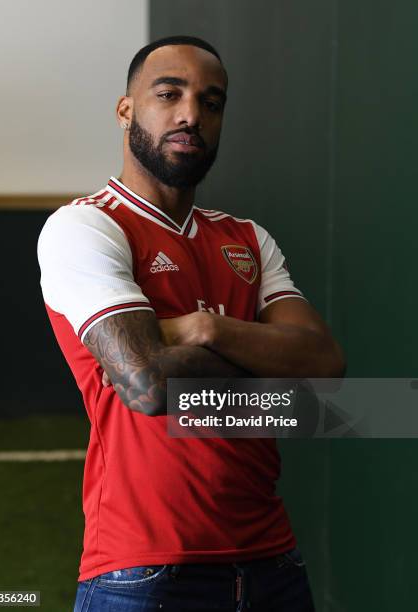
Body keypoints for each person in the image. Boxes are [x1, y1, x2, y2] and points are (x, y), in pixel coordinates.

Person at [37, 35, 345, 612]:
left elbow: (325, 366)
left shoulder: (248, 239)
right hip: (145, 571)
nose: (190, 114)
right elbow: (147, 383)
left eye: (211, 101)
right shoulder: (84, 228)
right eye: (168, 93)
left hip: (273, 562)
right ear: (126, 109)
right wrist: (270, 375)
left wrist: (207, 329)